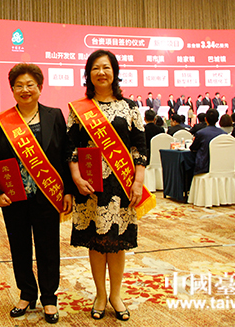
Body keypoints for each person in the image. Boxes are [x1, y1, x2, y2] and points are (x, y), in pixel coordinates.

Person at [0, 63, 74, 324]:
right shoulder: (2, 121)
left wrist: (67, 190)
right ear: (12, 89)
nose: (25, 90)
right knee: (19, 247)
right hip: (14, 197)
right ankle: (26, 294)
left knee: (48, 247)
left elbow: (65, 155)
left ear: (40, 87)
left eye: (30, 85)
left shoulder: (54, 115)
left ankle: (49, 298)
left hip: (47, 195)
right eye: (19, 86)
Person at [66, 50, 147, 322]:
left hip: (121, 183)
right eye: (95, 68)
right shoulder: (79, 109)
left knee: (117, 241)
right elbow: (71, 148)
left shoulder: (130, 107)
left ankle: (116, 295)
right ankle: (100, 294)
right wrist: (76, 177)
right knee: (97, 241)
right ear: (88, 74)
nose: (101, 72)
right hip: (90, 184)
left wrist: (138, 181)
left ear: (115, 72)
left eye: (106, 67)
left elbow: (139, 147)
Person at [189, 109, 226, 174]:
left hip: (204, 167)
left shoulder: (201, 133)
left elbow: (193, 148)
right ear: (217, 120)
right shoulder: (224, 134)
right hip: (220, 166)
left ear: (205, 119)